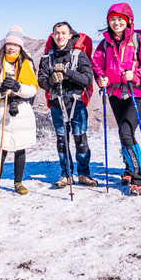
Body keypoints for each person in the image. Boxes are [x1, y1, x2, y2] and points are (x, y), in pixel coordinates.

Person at [92, 3, 141, 195]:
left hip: (136, 92)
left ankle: (139, 177)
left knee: (125, 132)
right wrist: (101, 78)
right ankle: (129, 169)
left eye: (120, 19)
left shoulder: (139, 40)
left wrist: (135, 76)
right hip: (115, 93)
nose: (116, 23)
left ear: (128, 21)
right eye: (112, 19)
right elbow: (97, 63)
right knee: (125, 135)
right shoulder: (105, 42)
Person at [37, 22, 97, 188]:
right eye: (57, 33)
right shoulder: (46, 58)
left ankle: (84, 174)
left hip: (76, 104)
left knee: (81, 140)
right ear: (53, 35)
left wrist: (67, 73)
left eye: (64, 33)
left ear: (71, 35)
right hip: (57, 104)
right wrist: (51, 80)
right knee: (62, 141)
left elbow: (87, 79)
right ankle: (66, 175)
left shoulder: (79, 55)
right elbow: (41, 82)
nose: (60, 36)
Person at [0, 26, 38, 198]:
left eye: (16, 45)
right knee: (0, 150)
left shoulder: (27, 64)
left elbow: (33, 89)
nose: (12, 47)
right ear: (4, 45)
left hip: (21, 111)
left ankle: (18, 182)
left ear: (20, 47)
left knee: (20, 149)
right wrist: (0, 88)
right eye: (9, 44)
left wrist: (17, 87)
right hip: (1, 111)